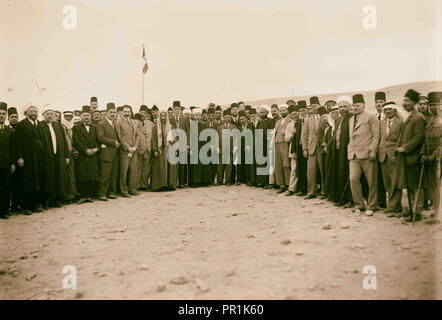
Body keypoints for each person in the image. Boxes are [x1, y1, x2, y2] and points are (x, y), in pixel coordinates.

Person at [390, 89, 427, 221]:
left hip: (413, 157)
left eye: (407, 101)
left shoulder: (418, 117)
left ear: (414, 103)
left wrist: (405, 148)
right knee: (409, 186)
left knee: (416, 186)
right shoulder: (410, 116)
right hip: (406, 157)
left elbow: (419, 137)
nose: (404, 103)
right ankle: (411, 210)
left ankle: (416, 213)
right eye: (404, 100)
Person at [347, 94, 379, 216]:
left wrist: (372, 150)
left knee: (371, 181)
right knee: (353, 179)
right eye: (354, 105)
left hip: (367, 153)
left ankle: (371, 205)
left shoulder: (371, 117)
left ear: (364, 105)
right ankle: (359, 204)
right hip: (353, 155)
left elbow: (376, 135)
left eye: (358, 105)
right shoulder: (351, 119)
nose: (355, 107)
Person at [38, 105, 70, 209]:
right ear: (43, 115)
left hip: (58, 156)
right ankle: (44, 201)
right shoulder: (40, 126)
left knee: (57, 178)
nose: (50, 116)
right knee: (46, 179)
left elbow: (64, 142)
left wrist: (66, 156)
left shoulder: (58, 126)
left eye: (52, 114)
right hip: (46, 158)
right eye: (47, 114)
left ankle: (54, 200)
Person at [377, 102, 404, 215]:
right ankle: (394, 206)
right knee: (387, 181)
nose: (388, 112)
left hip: (394, 154)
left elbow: (402, 138)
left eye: (390, 109)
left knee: (395, 181)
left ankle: (394, 207)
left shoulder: (401, 122)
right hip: (383, 155)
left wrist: (397, 150)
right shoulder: (381, 123)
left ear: (395, 110)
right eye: (386, 110)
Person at [301, 96, 327, 199]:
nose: (314, 108)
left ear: (319, 105)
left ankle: (324, 191)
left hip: (321, 147)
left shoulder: (325, 117)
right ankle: (311, 192)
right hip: (311, 148)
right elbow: (304, 135)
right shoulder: (308, 119)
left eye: (315, 105)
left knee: (323, 170)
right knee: (310, 171)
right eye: (312, 106)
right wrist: (304, 148)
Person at [420, 92, 442, 218]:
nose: (433, 107)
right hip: (429, 158)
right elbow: (425, 139)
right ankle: (436, 211)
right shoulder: (430, 120)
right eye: (431, 105)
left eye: (436, 104)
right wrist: (423, 153)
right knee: (433, 185)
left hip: (438, 158)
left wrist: (434, 155)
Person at [73, 105, 100, 204]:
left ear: (91, 116)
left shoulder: (95, 127)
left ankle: (89, 196)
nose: (86, 117)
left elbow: (98, 140)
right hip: (83, 155)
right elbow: (76, 141)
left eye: (88, 115)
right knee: (82, 176)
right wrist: (85, 150)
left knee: (90, 175)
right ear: (81, 116)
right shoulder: (76, 128)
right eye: (84, 115)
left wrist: (96, 148)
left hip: (93, 154)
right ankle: (83, 196)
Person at [96, 103, 120, 201]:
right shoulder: (101, 124)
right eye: (111, 112)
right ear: (106, 113)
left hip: (114, 153)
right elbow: (100, 137)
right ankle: (101, 194)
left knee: (113, 174)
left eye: (114, 112)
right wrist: (113, 142)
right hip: (106, 153)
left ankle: (111, 192)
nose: (113, 114)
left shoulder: (115, 124)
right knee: (105, 174)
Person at [115, 105, 140, 197]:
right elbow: (119, 137)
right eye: (125, 112)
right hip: (124, 150)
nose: (126, 114)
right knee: (123, 171)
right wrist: (128, 147)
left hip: (133, 150)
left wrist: (135, 146)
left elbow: (138, 135)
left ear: (131, 112)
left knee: (133, 170)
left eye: (128, 112)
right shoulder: (118, 122)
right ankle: (123, 190)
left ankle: (132, 189)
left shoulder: (133, 122)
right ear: (122, 112)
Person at [151, 110, 175, 191]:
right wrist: (155, 149)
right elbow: (153, 139)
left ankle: (169, 185)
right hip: (160, 150)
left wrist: (170, 142)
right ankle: (160, 186)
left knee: (169, 168)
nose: (163, 118)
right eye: (162, 116)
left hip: (168, 149)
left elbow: (174, 138)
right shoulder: (155, 127)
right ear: (159, 117)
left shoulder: (170, 126)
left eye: (165, 116)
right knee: (160, 167)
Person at [0, 102, 15, 219]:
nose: (1, 116)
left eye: (3, 114)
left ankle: (4, 210)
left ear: (6, 116)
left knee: (5, 187)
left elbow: (12, 147)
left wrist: (12, 162)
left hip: (5, 163)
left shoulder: (9, 130)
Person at [255, 106, 275, 188]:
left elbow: (270, 132)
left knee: (267, 163)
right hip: (260, 144)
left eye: (263, 112)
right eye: (260, 112)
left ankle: (266, 182)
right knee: (260, 163)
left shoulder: (271, 121)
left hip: (267, 144)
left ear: (267, 112)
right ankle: (260, 181)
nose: (261, 114)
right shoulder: (259, 122)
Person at [7, 107, 23, 212]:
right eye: (12, 117)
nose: (14, 119)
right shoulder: (7, 129)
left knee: (19, 183)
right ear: (8, 118)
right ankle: (8, 205)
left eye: (16, 117)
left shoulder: (21, 129)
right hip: (8, 161)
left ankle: (17, 205)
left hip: (20, 161)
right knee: (8, 184)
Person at [61, 111, 78, 203]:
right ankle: (66, 196)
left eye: (70, 116)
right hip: (65, 154)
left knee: (72, 174)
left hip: (73, 154)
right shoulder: (61, 127)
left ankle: (73, 194)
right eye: (66, 116)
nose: (68, 118)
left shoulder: (73, 128)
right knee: (65, 175)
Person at [273, 104, 291, 193]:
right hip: (277, 144)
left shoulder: (290, 121)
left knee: (286, 164)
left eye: (283, 110)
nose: (282, 112)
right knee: (278, 164)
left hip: (285, 144)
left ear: (287, 111)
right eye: (281, 111)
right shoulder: (278, 122)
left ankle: (288, 184)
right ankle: (281, 184)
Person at [374, 91, 387, 210]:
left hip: (386, 152)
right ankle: (381, 201)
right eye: (377, 102)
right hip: (375, 152)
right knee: (377, 177)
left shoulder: (388, 116)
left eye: (381, 102)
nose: (379, 104)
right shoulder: (373, 117)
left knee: (388, 177)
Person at [284, 104, 299, 196]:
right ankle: (291, 188)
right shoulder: (289, 125)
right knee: (294, 170)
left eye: (296, 113)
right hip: (293, 150)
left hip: (303, 149)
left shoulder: (303, 122)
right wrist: (292, 134)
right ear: (290, 115)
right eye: (292, 114)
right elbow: (286, 138)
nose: (294, 115)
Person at [295, 100, 308, 195]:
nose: (302, 113)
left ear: (307, 110)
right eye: (300, 111)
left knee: (308, 169)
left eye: (303, 110)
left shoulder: (309, 120)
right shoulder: (298, 121)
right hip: (299, 147)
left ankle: (309, 189)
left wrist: (306, 148)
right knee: (301, 169)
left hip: (307, 147)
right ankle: (302, 189)